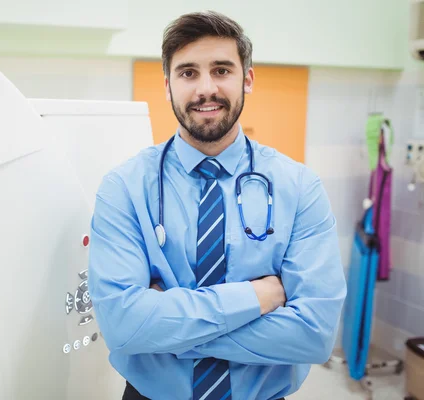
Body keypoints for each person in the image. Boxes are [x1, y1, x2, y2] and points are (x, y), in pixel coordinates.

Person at [87, 10, 347, 400]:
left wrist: (164, 329)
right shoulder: (124, 187)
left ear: (248, 78)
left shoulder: (300, 188)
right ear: (167, 85)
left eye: (222, 70)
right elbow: (122, 325)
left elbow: (313, 335)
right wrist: (257, 299)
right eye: (188, 72)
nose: (205, 88)